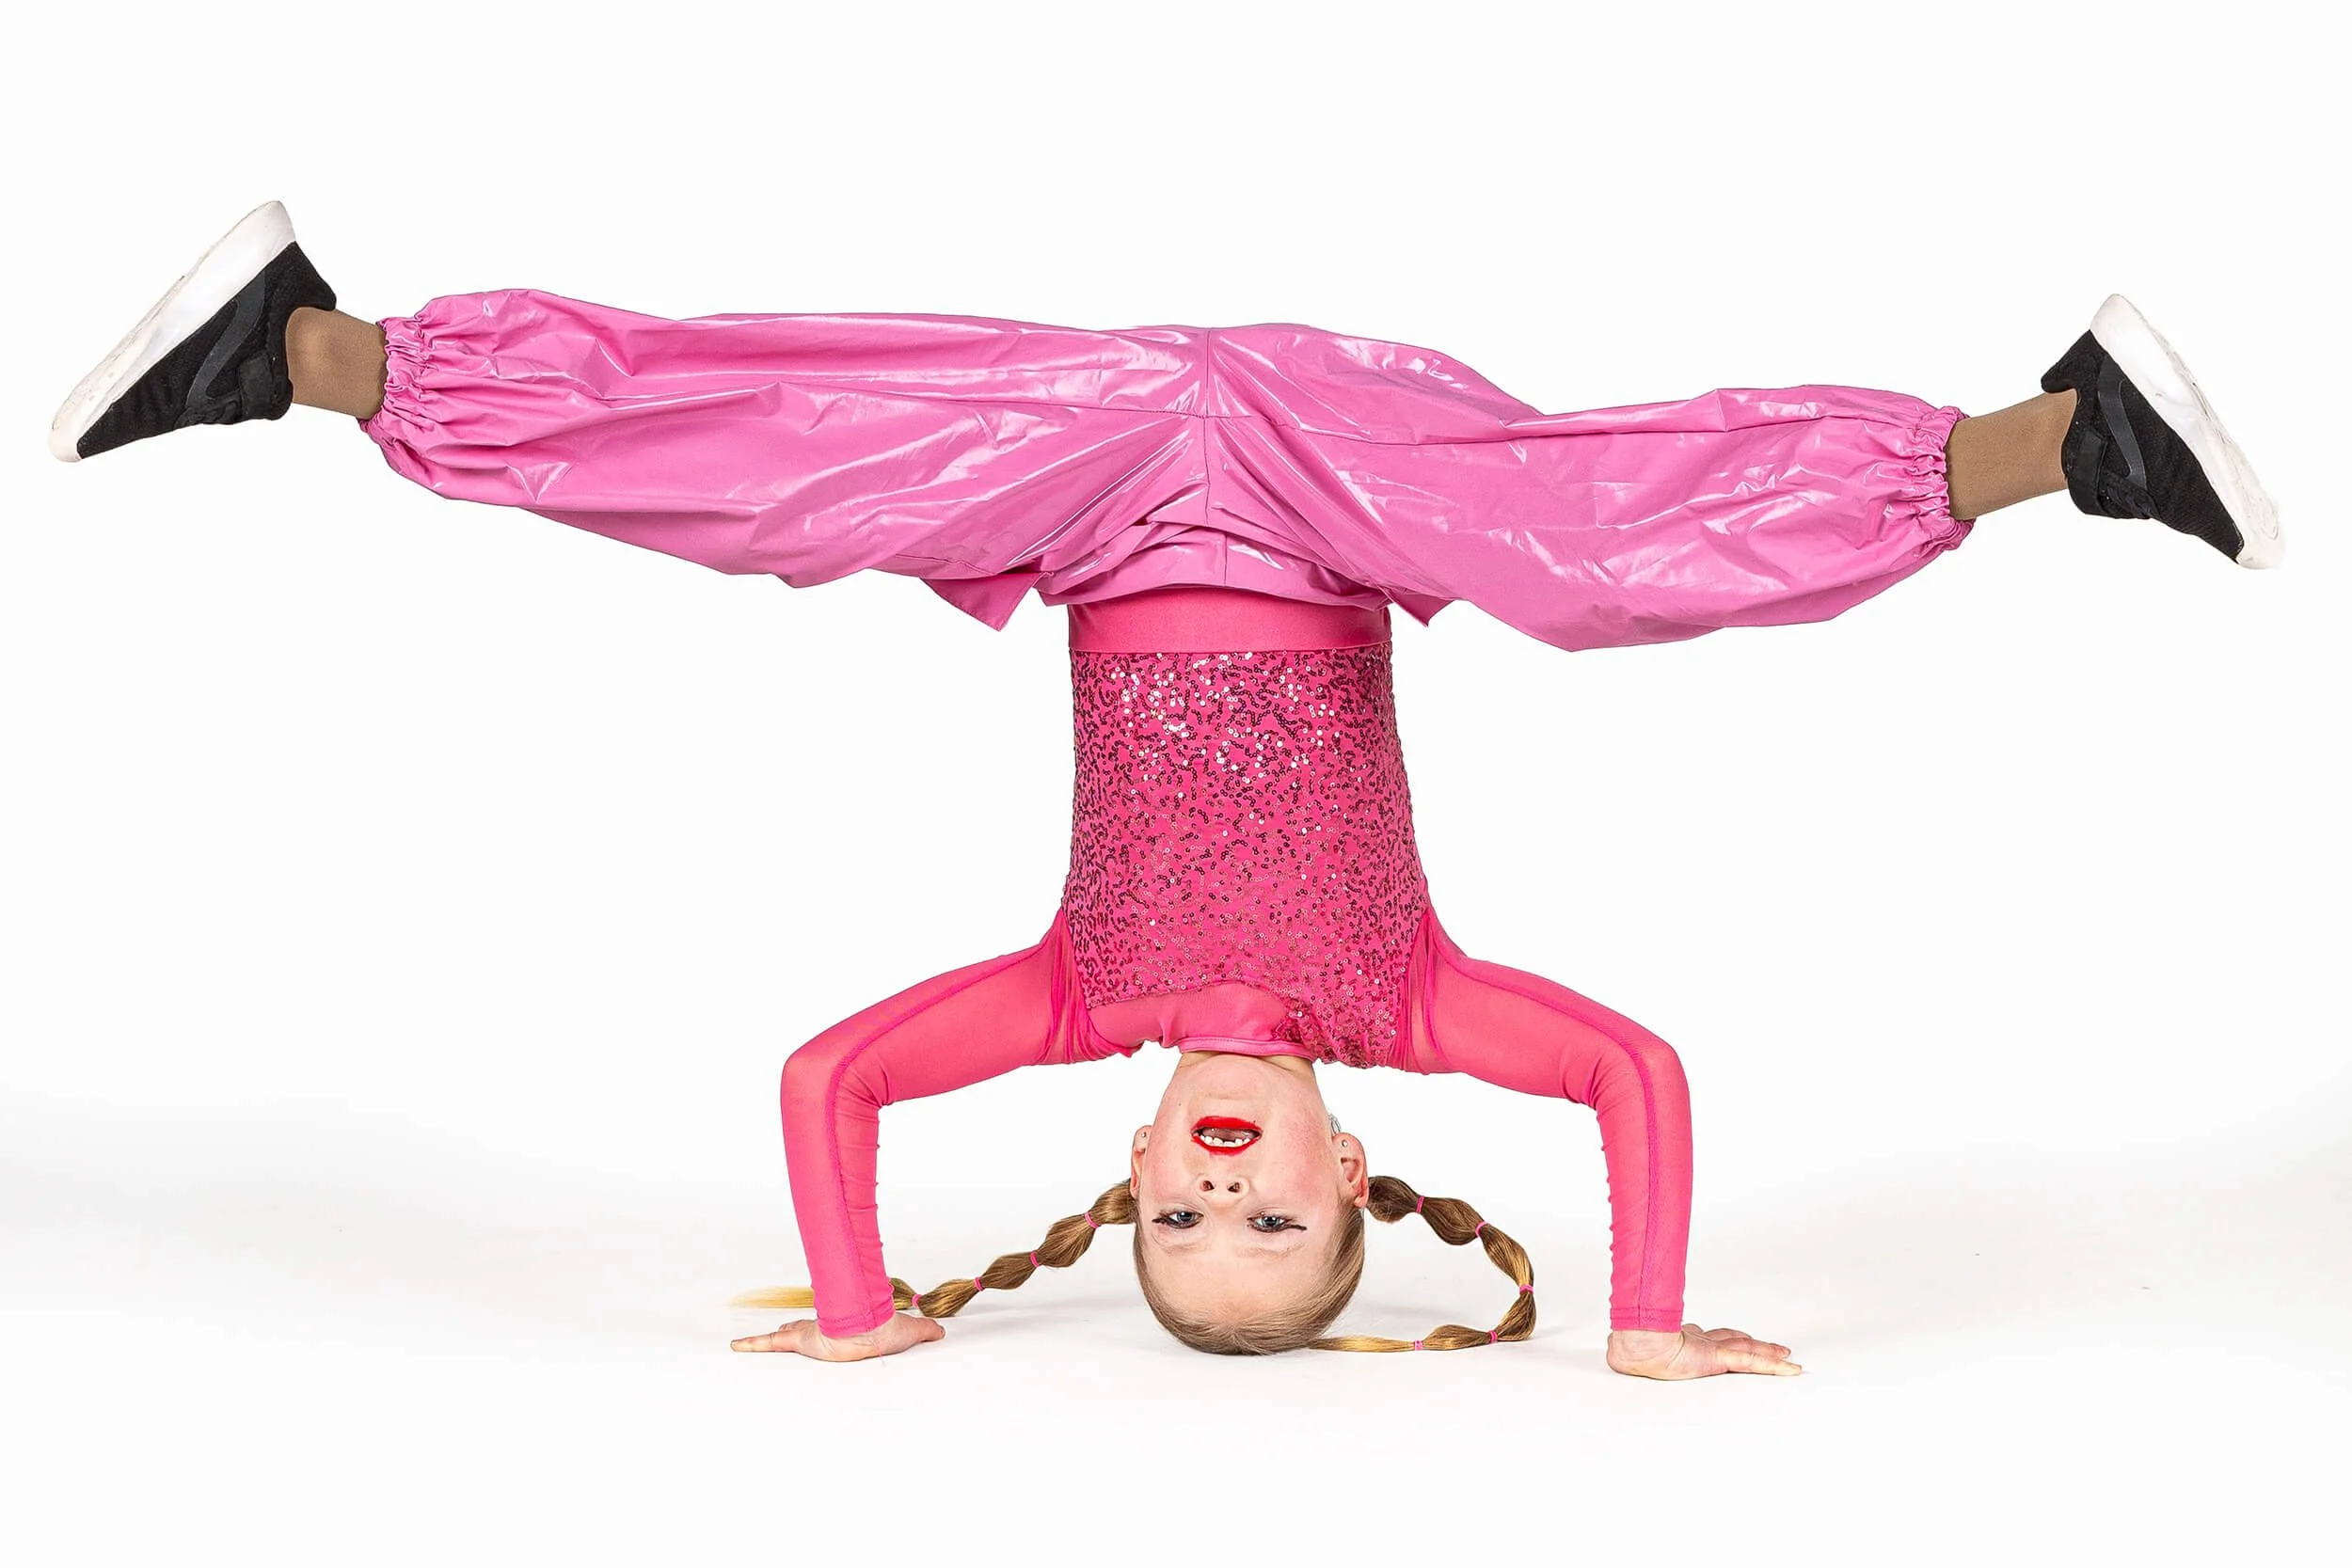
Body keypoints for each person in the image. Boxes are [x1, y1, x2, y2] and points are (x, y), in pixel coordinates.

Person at [49, 200, 2281, 1377]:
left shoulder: (1069, 995)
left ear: (1122, 1165)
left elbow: (828, 1079)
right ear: (1348, 1167)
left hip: (1093, 484)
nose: (1221, 1194)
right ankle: (2055, 439)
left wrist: (862, 1306)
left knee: (786, 476)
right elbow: (1628, 1071)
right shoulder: (1407, 1002)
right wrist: (1632, 1312)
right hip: (1336, 497)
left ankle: (314, 354)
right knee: (1597, 557)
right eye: (1276, 1226)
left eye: (1174, 1227)